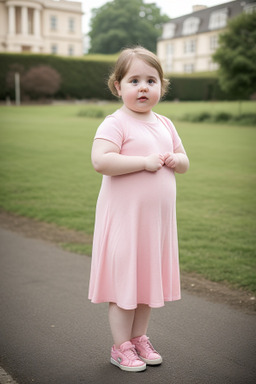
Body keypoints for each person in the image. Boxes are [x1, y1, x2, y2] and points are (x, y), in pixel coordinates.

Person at [88, 46, 189, 372]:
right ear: (118, 86)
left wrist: (177, 160)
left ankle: (139, 337)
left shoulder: (165, 123)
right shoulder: (115, 123)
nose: (143, 87)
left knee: (146, 284)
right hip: (125, 223)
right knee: (124, 285)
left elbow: (184, 162)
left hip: (155, 225)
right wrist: (143, 163)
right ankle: (121, 347)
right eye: (134, 80)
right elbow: (101, 161)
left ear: (162, 86)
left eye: (151, 80)